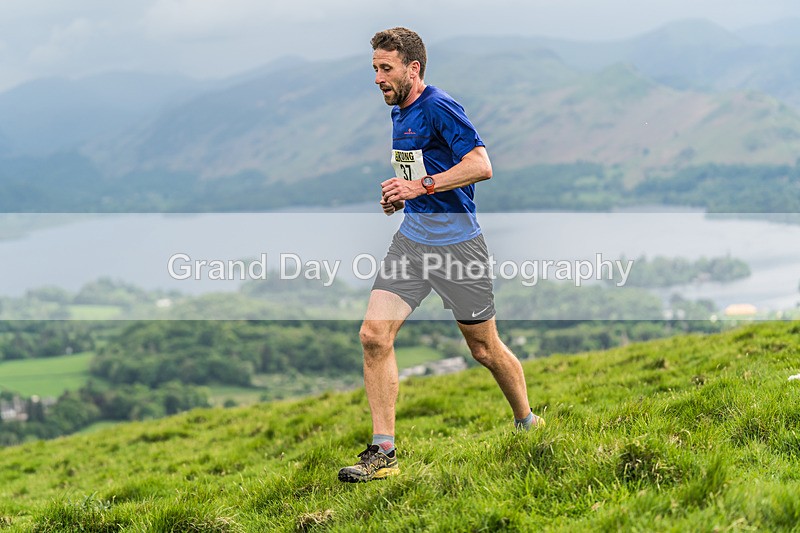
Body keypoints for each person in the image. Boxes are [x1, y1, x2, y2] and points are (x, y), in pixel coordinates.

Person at [337, 27, 544, 484]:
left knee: (484, 348)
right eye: (373, 68)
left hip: (458, 247)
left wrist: (419, 186)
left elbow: (480, 165)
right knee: (373, 335)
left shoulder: (438, 106)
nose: (376, 78)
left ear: (414, 68)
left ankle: (528, 421)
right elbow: (421, 172)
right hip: (412, 241)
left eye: (385, 68)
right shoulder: (400, 110)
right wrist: (402, 198)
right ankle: (383, 451)